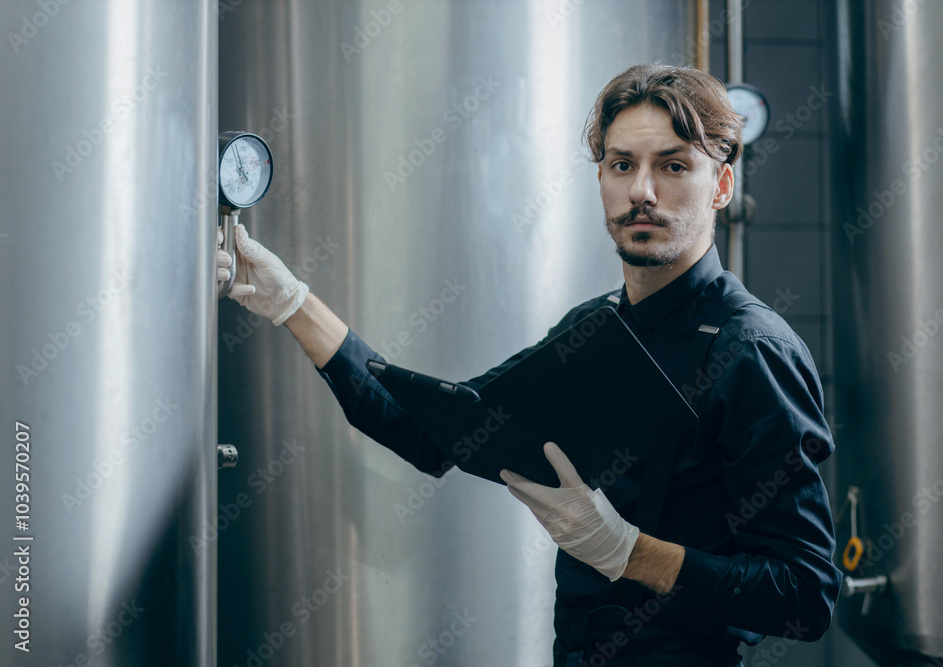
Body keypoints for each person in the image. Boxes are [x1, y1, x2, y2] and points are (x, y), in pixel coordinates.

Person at [218, 63, 841, 666]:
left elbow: (805, 597)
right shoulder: (593, 329)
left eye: (673, 166)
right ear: (601, 177)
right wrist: (292, 302)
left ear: (723, 185)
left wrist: (629, 553)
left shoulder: (752, 349)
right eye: (622, 164)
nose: (642, 191)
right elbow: (433, 430)